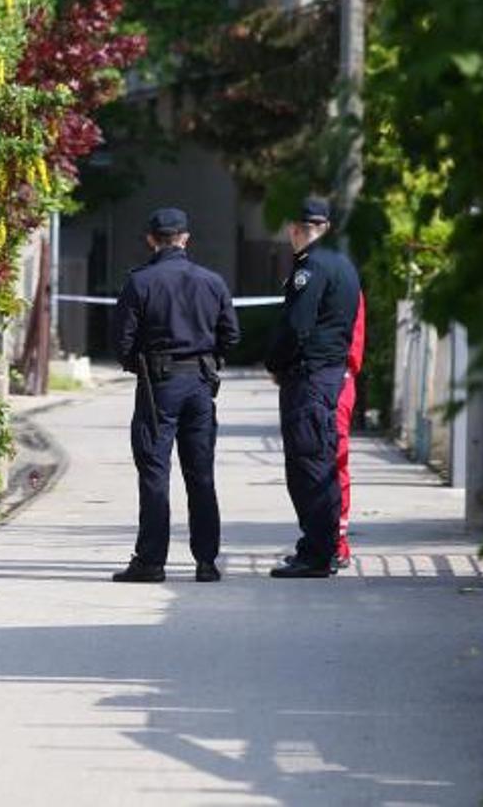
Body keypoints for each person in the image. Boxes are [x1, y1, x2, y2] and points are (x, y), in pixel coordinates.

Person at [110, 207, 239, 583]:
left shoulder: (140, 282)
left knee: (155, 471)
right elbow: (231, 335)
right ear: (185, 239)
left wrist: (140, 365)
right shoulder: (212, 282)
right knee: (201, 473)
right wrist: (208, 360)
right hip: (200, 384)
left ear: (151, 239)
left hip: (159, 385)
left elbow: (121, 340)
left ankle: (151, 561)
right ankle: (206, 562)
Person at [265, 196, 362, 578]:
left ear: (295, 229)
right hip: (331, 374)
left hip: (310, 377)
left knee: (308, 465)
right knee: (322, 462)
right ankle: (324, 546)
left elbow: (297, 325)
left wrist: (275, 362)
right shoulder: (344, 264)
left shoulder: (312, 267)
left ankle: (316, 554)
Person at [335, 291, 367, 569]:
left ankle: (337, 541)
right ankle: (326, 539)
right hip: (334, 377)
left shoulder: (343, 286)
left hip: (335, 378)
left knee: (335, 460)